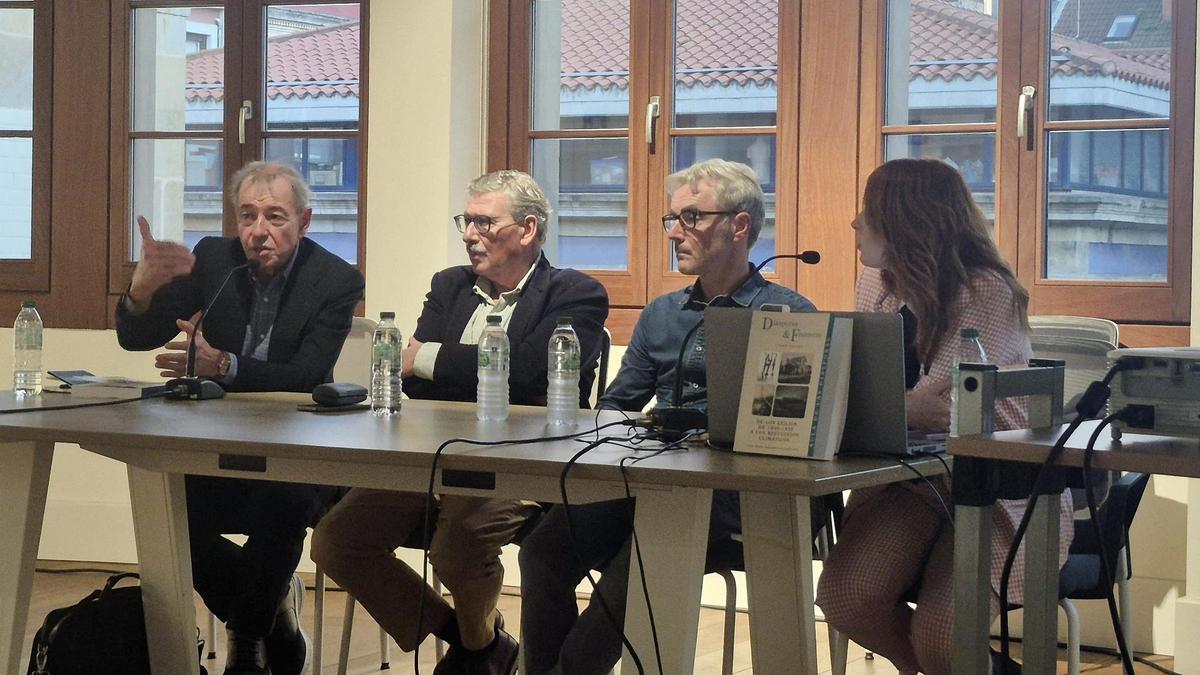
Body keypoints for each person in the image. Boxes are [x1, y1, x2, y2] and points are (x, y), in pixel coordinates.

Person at [517, 158, 816, 675]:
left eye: (692, 218)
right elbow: (616, 405)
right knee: (543, 551)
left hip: (728, 495)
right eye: (672, 220)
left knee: (632, 573)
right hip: (645, 476)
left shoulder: (789, 316)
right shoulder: (661, 313)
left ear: (739, 225)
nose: (675, 232)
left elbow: (791, 429)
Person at [311, 170, 609, 675]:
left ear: (528, 230)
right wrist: (457, 367)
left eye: (484, 223)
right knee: (336, 540)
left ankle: (475, 652)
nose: (470, 235)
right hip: (432, 452)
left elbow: (535, 373)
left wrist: (429, 356)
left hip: (521, 460)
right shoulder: (450, 286)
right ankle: (478, 643)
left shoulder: (576, 293)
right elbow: (417, 384)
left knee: (456, 545)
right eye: (466, 222)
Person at [814, 158, 1073, 675]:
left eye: (870, 209)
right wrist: (894, 405)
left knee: (942, 633)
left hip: (998, 486)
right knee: (847, 599)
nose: (854, 222)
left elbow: (947, 405)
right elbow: (892, 400)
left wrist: (890, 404)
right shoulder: (875, 284)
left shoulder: (986, 289)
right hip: (913, 481)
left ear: (908, 218)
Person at [116, 161, 364, 675]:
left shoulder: (336, 279)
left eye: (275, 217)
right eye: (247, 216)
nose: (258, 231)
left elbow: (307, 374)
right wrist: (142, 292)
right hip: (215, 441)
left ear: (305, 221)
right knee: (170, 506)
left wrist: (224, 365)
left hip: (301, 450)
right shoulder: (213, 259)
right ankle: (271, 618)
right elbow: (138, 337)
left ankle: (246, 646)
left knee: (284, 500)